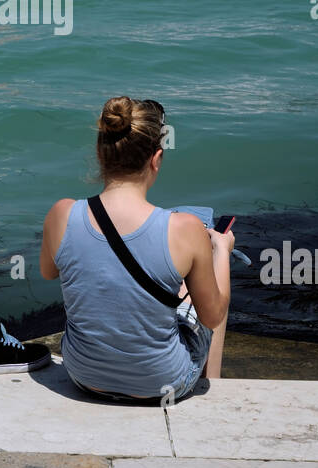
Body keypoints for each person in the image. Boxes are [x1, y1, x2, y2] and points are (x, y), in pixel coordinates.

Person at [39, 95, 232, 402]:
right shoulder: (186, 228)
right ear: (156, 159)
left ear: (101, 155)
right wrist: (220, 251)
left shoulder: (61, 213)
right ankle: (214, 386)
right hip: (162, 382)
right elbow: (211, 317)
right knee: (211, 291)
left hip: (84, 375)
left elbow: (49, 271)